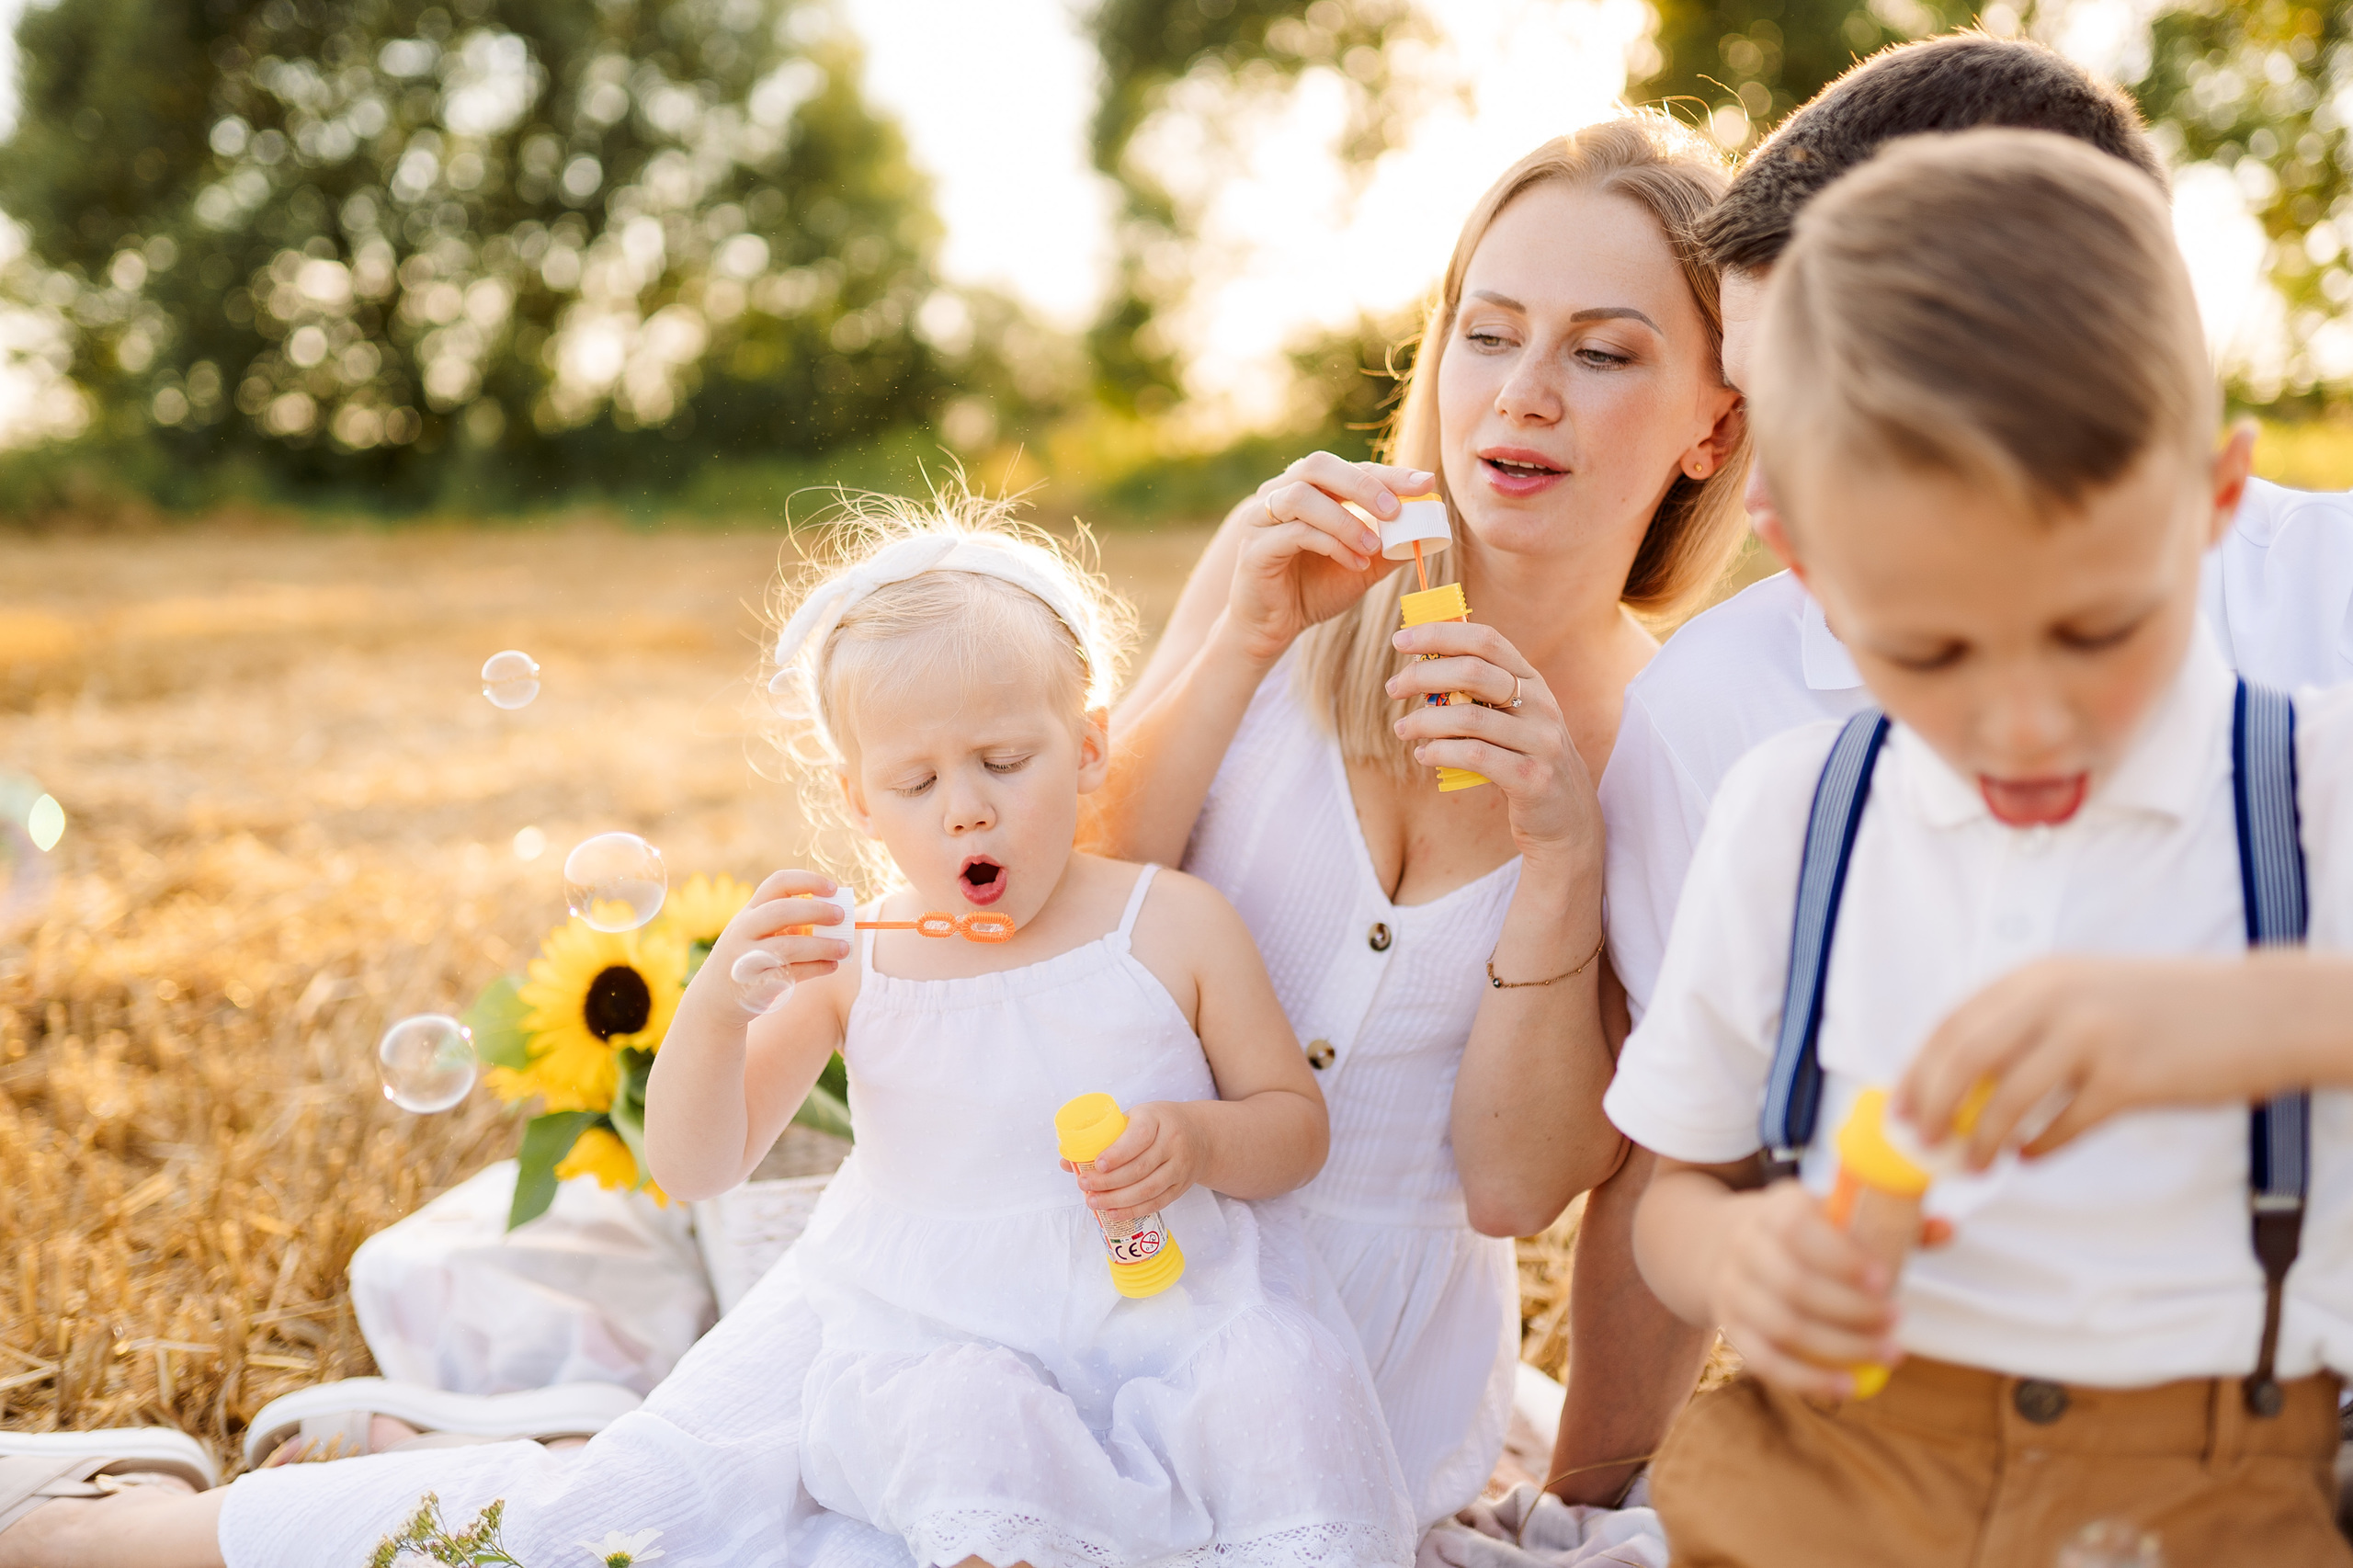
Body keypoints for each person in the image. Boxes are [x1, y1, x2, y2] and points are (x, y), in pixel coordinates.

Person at [0, 497, 1415, 1568]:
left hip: (1171, 1336)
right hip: (908, 1337)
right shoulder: (860, 957)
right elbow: (696, 1163)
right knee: (616, 1524)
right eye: (916, 780)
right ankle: (127, 1530)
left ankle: (464, 1430)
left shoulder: (1166, 923)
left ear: (1091, 746)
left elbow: (1294, 1130)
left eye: (1005, 759)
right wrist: (722, 1007)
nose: (965, 810)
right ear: (861, 805)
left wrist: (1196, 1138)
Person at [1586, 28, 2353, 1484]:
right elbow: (1683, 1173)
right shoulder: (1750, 756)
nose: (2019, 717)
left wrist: (2240, 1027)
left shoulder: (2320, 716)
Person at [1097, 111, 1745, 1523]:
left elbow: (1517, 1183)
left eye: (1603, 350)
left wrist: (1562, 853)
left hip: (1377, 1371)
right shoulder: (1290, 569)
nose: (1522, 393)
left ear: (1716, 421)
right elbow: (1061, 898)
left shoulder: (1680, 741)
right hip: (1115, 1272)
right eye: (1490, 331)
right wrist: (1235, 651)